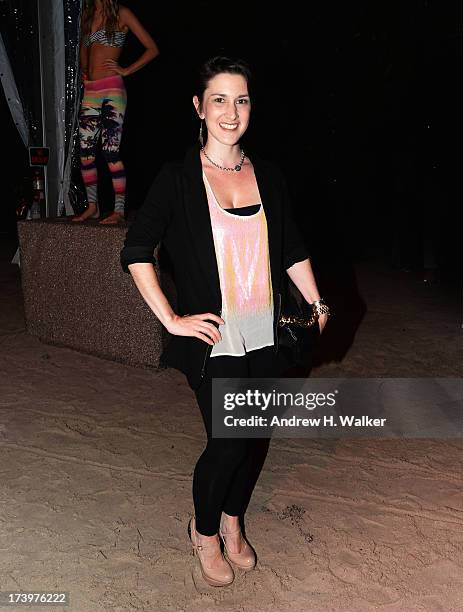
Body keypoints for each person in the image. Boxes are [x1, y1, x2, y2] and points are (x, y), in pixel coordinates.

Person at [119, 56, 329, 587]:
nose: (231, 112)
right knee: (229, 442)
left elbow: (293, 248)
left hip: (268, 333)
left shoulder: (270, 176)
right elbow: (138, 250)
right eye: (219, 99)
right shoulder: (176, 180)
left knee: (254, 437)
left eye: (241, 100)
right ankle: (205, 530)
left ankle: (234, 521)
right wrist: (171, 318)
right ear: (199, 107)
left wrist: (318, 304)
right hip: (216, 338)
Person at [73, 0, 159, 224]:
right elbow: (84, 49)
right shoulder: (89, 15)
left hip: (112, 89)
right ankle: (92, 206)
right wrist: (84, 70)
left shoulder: (122, 13)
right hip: (91, 91)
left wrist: (126, 70)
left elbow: (152, 48)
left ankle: (119, 210)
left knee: (110, 150)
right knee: (85, 152)